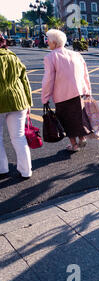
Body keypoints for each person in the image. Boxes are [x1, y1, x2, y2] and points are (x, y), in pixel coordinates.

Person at [41, 29, 92, 152]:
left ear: (54, 42)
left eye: (48, 40)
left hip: (62, 95)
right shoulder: (76, 55)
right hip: (78, 92)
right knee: (79, 117)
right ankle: (82, 138)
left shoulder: (50, 57)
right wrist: (87, 90)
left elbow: (48, 79)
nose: (47, 42)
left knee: (66, 120)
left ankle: (74, 145)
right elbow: (85, 74)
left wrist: (45, 97)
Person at [0, 34, 33, 179]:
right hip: (18, 101)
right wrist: (29, 102)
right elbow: (25, 80)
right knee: (19, 137)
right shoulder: (13, 57)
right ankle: (26, 171)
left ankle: (2, 168)